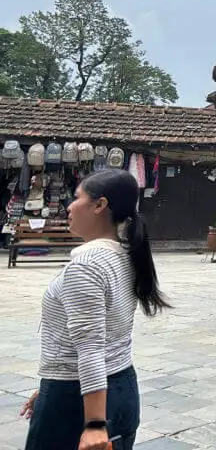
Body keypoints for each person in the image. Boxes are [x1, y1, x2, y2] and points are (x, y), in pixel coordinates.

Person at [20, 169, 169, 450]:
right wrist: (50, 385)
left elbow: (91, 348)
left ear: (100, 205)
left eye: (77, 198)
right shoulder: (123, 255)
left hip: (81, 402)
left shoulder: (87, 266)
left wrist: (94, 424)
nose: (69, 206)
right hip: (120, 387)